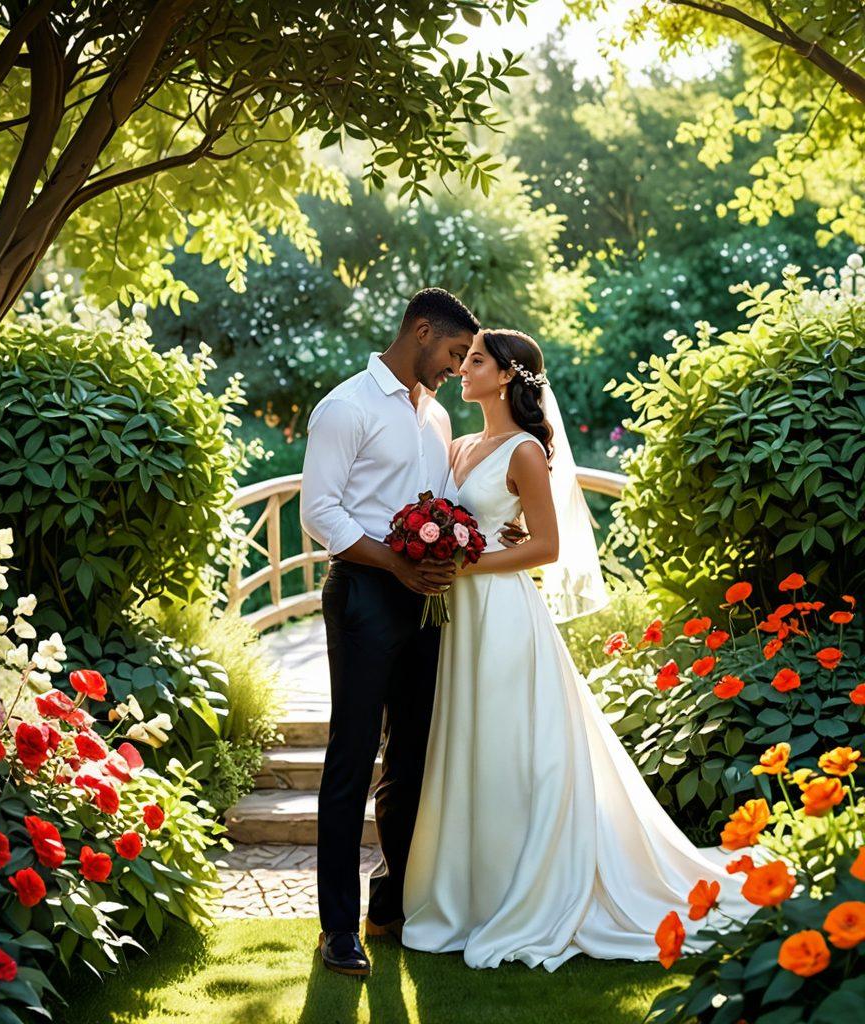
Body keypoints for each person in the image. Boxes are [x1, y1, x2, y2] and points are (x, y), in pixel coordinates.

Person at [401, 328, 754, 971]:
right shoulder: (455, 446)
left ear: (506, 375)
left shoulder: (525, 452)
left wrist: (466, 560)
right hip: (457, 617)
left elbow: (545, 548)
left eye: (474, 361)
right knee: (467, 743)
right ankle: (469, 893)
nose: (463, 370)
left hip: (502, 614)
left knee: (508, 745)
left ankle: (526, 891)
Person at [299, 289, 523, 976]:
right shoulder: (346, 407)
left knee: (414, 758)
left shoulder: (435, 416)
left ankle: (390, 902)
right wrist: (394, 563)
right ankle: (338, 930)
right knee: (352, 758)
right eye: (456, 353)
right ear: (421, 333)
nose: (459, 368)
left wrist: (492, 533)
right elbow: (319, 512)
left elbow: (448, 505)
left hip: (426, 602)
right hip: (366, 593)